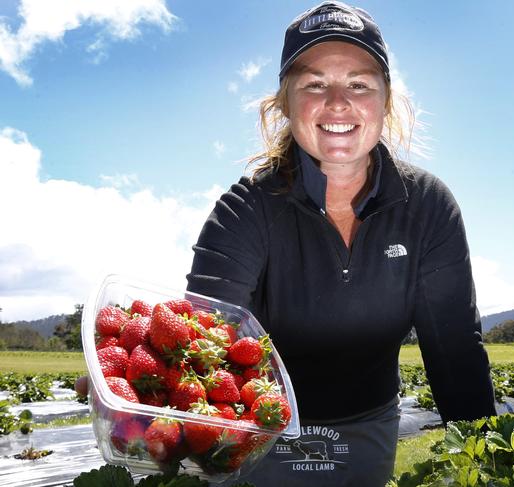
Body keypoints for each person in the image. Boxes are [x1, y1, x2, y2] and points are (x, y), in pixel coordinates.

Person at [185, 2, 497, 486]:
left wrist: (491, 462)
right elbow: (205, 335)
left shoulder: (428, 206)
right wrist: (149, 388)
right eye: (314, 84)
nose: (336, 102)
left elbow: (454, 347)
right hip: (262, 432)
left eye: (358, 84)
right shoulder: (246, 209)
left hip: (371, 425)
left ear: (385, 100)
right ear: (285, 102)